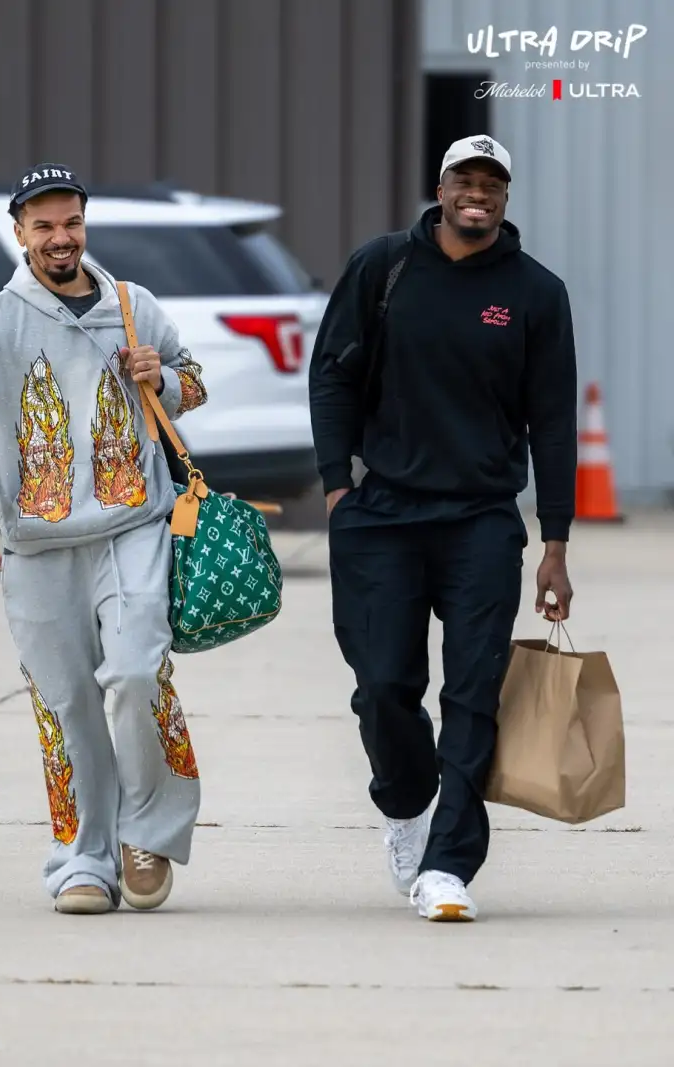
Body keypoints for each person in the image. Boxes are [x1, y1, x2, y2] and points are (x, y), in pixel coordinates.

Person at [309, 135, 577, 922]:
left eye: (492, 182)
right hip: (382, 515)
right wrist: (337, 487)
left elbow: (553, 421)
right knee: (383, 687)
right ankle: (406, 802)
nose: (478, 193)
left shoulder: (535, 292)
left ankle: (448, 865)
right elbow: (332, 373)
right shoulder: (384, 266)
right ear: (442, 185)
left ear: (505, 195)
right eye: (466, 178)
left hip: (482, 521)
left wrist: (555, 541)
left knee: (473, 695)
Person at [0, 163, 208, 915]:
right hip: (36, 547)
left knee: (136, 673)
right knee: (67, 706)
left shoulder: (134, 306)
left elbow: (193, 381)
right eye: (44, 226)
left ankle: (146, 833)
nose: (61, 238)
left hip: (134, 526)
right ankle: (84, 860)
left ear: (85, 225)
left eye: (72, 223)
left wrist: (164, 379)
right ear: (20, 233)